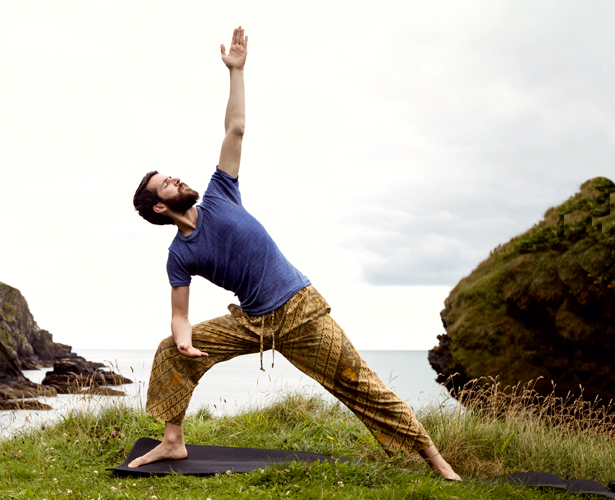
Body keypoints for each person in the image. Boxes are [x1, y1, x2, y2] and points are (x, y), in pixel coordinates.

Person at [130, 26, 461, 481]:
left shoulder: (220, 193)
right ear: (162, 206)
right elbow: (180, 313)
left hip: (300, 311)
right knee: (170, 351)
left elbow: (236, 128)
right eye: (168, 184)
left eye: (173, 176)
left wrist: (237, 73)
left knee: (360, 385)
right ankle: (173, 440)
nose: (178, 179)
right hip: (251, 324)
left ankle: (435, 460)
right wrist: (184, 337)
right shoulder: (179, 255)